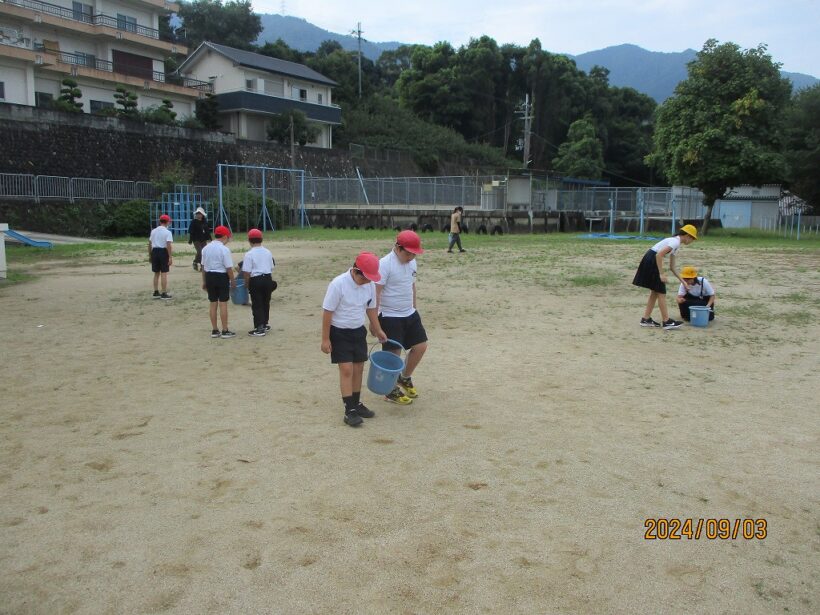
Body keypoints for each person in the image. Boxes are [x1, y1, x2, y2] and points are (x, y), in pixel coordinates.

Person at [321, 252, 388, 427]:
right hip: (339, 332)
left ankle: (356, 403)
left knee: (358, 367)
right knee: (346, 369)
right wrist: (325, 339)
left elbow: (371, 308)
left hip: (358, 331)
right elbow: (327, 312)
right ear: (356, 272)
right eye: (366, 278)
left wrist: (378, 328)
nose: (368, 282)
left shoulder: (370, 285)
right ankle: (348, 409)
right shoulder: (338, 284)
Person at [375, 230, 428, 405]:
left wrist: (414, 308)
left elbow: (411, 286)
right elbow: (376, 293)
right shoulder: (385, 264)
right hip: (390, 316)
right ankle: (389, 391)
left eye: (414, 253)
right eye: (408, 253)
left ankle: (404, 377)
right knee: (393, 354)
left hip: (409, 313)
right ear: (398, 248)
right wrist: (375, 322)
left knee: (420, 346)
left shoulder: (412, 263)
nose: (412, 256)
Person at [632, 224, 698, 329]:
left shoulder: (676, 244)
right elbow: (659, 255)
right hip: (651, 260)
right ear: (687, 235)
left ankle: (646, 319)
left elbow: (672, 267)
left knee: (655, 292)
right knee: (661, 292)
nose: (692, 241)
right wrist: (661, 274)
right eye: (692, 238)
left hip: (651, 259)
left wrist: (683, 281)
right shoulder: (675, 242)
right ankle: (666, 321)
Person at [200, 225, 237, 339]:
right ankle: (225, 330)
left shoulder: (205, 248)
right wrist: (233, 281)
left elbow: (203, 266)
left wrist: (204, 281)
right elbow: (228, 268)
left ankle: (215, 330)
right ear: (225, 236)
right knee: (223, 303)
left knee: (213, 303)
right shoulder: (224, 249)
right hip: (221, 276)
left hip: (209, 276)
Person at [242, 229, 276, 337]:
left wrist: (247, 284)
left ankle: (259, 327)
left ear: (250, 240)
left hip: (256, 280)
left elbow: (246, 272)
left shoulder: (249, 254)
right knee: (266, 302)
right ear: (261, 239)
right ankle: (265, 323)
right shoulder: (268, 252)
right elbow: (271, 267)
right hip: (267, 278)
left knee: (257, 304)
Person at [148, 213, 173, 299]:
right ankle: (164, 292)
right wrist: (170, 256)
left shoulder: (153, 231)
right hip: (163, 251)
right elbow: (168, 245)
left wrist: (150, 255)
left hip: (154, 251)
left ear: (160, 221)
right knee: (164, 272)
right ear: (167, 222)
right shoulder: (167, 232)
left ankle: (155, 291)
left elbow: (150, 244)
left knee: (156, 273)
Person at [187, 207, 211, 271]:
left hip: (203, 239)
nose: (198, 215)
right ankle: (199, 264)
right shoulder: (194, 222)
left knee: (204, 253)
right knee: (200, 252)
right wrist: (190, 240)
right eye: (197, 213)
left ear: (202, 215)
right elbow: (191, 231)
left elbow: (207, 231)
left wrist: (210, 238)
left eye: (200, 213)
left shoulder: (205, 222)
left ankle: (198, 264)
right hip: (196, 239)